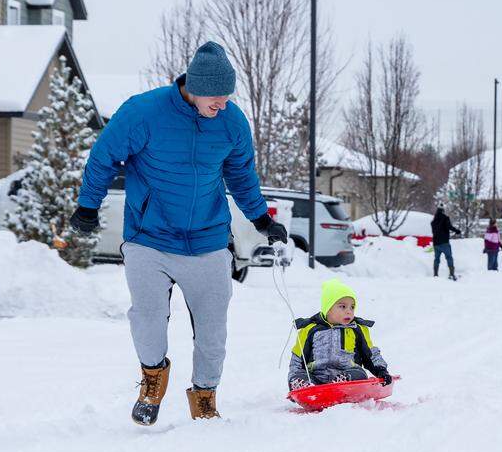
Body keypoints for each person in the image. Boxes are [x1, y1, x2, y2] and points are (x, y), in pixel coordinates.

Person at [70, 41, 288, 425]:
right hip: (148, 237)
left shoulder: (232, 122)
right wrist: (88, 205)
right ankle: (153, 380)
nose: (221, 105)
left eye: (226, 98)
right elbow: (104, 157)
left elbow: (241, 176)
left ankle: (204, 396)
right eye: (215, 98)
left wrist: (261, 220)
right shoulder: (143, 113)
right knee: (148, 317)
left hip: (207, 240)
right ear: (195, 87)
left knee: (212, 329)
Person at [288, 279, 392, 389]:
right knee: (301, 376)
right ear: (328, 309)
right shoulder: (310, 330)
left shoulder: (356, 329)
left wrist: (381, 370)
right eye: (343, 306)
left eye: (352, 307)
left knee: (359, 374)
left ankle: (342, 383)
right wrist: (294, 377)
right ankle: (303, 386)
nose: (349, 311)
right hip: (317, 380)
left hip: (348, 375)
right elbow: (297, 359)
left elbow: (371, 354)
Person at [430, 206, 461, 280]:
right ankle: (451, 274)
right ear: (443, 211)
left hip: (436, 243)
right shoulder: (445, 218)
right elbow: (449, 227)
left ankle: (435, 274)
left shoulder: (433, 222)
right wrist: (457, 231)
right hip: (444, 242)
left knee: (436, 259)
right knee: (449, 257)